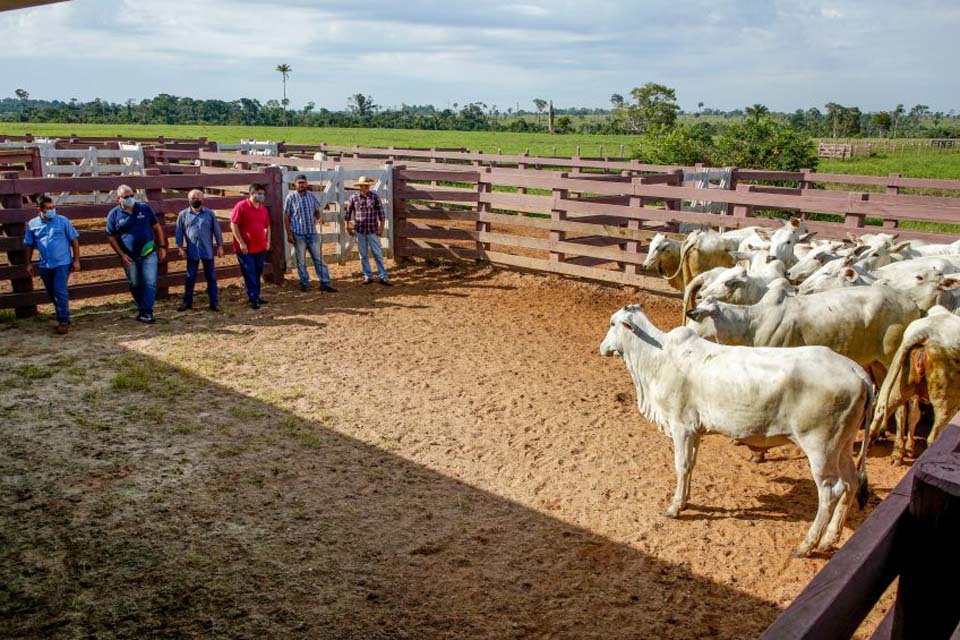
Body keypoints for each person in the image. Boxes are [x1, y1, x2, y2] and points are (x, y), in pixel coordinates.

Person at [106, 184, 166, 323]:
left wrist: (162, 246)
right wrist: (121, 254)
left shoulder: (144, 208)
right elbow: (111, 236)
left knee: (150, 282)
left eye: (131, 195)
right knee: (135, 283)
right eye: (126, 197)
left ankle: (147, 312)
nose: (129, 199)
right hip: (129, 255)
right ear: (118, 198)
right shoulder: (114, 214)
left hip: (148, 251)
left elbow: (156, 227)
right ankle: (143, 308)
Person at [23, 195, 81, 334]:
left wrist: (76, 259)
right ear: (39, 209)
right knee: (52, 292)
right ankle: (64, 316)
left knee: (59, 290)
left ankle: (62, 321)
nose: (52, 210)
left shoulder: (63, 221)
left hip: (62, 262)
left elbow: (74, 240)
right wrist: (28, 263)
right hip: (45, 264)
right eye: (48, 208)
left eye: (53, 207)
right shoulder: (32, 224)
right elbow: (29, 244)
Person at [284, 174, 336, 293]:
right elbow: (286, 216)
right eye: (299, 183)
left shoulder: (311, 196)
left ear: (306, 184)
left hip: (312, 233)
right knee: (301, 260)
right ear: (295, 184)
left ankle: (325, 282)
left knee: (319, 259)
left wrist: (319, 218)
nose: (301, 185)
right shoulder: (290, 197)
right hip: (298, 233)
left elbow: (317, 211)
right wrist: (289, 233)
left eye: (303, 182)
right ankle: (304, 282)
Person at [175, 189, 223, 312]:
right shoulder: (183, 215)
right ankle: (187, 302)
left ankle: (214, 302)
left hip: (207, 250)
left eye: (198, 198)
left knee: (211, 277)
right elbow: (179, 232)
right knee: (190, 277)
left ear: (203, 199)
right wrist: (180, 247)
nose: (196, 200)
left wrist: (220, 246)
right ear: (189, 199)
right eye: (193, 198)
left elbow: (216, 230)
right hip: (192, 251)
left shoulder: (209, 214)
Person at [344, 175, 391, 286]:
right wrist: (347, 226)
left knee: (377, 253)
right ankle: (367, 275)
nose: (365, 187)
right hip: (360, 230)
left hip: (372, 230)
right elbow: (348, 213)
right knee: (363, 254)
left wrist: (381, 227)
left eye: (367, 185)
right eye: (363, 185)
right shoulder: (354, 198)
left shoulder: (375, 197)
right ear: (360, 186)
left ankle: (383, 276)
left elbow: (381, 214)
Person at [231, 183, 271, 309]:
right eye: (259, 193)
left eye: (263, 194)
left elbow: (267, 226)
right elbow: (233, 224)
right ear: (251, 194)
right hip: (245, 248)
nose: (262, 196)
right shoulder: (241, 206)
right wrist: (241, 242)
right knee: (249, 272)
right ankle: (253, 297)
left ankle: (256, 295)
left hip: (260, 246)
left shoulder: (263, 208)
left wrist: (268, 241)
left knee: (258, 271)